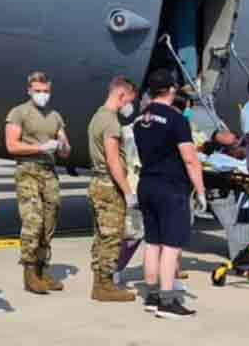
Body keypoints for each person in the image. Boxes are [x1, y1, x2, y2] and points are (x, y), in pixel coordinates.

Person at [135, 69, 207, 319]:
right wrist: (201, 190)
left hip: (147, 184)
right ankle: (167, 301)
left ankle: (152, 296)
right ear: (171, 89)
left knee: (152, 242)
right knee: (171, 245)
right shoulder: (176, 119)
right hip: (171, 187)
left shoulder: (140, 119)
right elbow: (190, 159)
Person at [5, 71, 71, 294]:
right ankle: (29, 272)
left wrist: (62, 145)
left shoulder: (55, 116)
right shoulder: (19, 113)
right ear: (29, 91)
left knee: (49, 222)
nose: (43, 95)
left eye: (46, 91)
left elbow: (66, 152)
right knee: (33, 220)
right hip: (28, 171)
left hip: (49, 172)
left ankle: (43, 269)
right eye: (38, 91)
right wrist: (40, 148)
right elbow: (12, 146)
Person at [87, 76, 139, 302]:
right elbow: (113, 160)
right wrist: (128, 192)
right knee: (111, 237)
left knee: (100, 236)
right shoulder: (111, 122)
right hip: (109, 185)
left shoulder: (97, 117)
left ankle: (100, 281)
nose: (130, 105)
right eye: (130, 100)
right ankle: (104, 286)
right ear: (121, 95)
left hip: (98, 182)